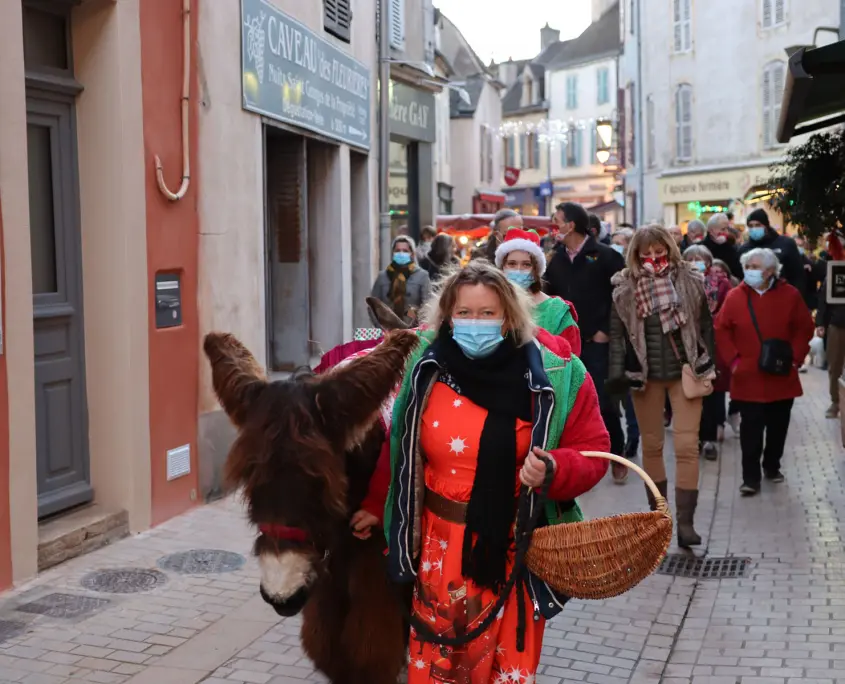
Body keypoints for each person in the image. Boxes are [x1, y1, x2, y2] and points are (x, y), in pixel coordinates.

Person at [354, 261, 610, 684]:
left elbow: (594, 451)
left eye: (487, 313)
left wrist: (554, 468)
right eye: (465, 313)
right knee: (439, 670)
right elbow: (401, 444)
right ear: (447, 316)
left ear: (508, 316)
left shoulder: (557, 372)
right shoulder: (425, 365)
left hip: (513, 553)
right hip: (438, 551)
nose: (475, 323)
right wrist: (374, 502)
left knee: (502, 672)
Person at [608, 224, 714, 548]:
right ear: (636, 255)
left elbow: (705, 325)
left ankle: (686, 524)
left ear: (669, 248)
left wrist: (708, 364)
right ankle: (660, 519)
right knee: (652, 446)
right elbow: (617, 335)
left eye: (660, 250)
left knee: (686, 446)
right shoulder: (624, 288)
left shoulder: (690, 281)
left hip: (686, 373)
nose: (654, 258)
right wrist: (616, 374)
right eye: (647, 253)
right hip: (645, 377)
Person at [715, 248, 814, 496]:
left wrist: (795, 359)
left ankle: (772, 465)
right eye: (747, 266)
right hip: (747, 376)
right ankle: (750, 478)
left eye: (755, 266)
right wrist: (733, 361)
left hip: (781, 375)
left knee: (778, 426)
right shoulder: (735, 297)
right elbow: (722, 329)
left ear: (770, 271)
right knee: (751, 430)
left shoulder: (790, 295)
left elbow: (804, 328)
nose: (750, 271)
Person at [545, 202, 626, 478]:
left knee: (603, 401)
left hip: (596, 341)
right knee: (570, 400)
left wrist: (606, 330)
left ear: (571, 225)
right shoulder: (555, 260)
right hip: (566, 345)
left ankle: (617, 454)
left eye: (557, 221)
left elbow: (620, 297)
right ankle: (579, 455)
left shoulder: (604, 256)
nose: (554, 227)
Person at [494, 227, 581, 354]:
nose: (518, 270)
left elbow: (571, 358)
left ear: (536, 270)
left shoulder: (557, 311)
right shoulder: (490, 304)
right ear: (502, 267)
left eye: (526, 264)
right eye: (512, 264)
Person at [684, 244, 732, 458]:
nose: (696, 262)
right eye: (691, 258)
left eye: (700, 259)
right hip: (687, 345)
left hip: (714, 345)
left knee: (712, 394)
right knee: (690, 394)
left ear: (709, 262)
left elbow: (727, 313)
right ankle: (694, 438)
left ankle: (710, 439)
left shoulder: (722, 284)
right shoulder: (677, 281)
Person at [370, 235, 432, 326]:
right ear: (393, 253)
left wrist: (418, 327)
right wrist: (379, 326)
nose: (401, 253)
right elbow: (373, 305)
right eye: (397, 250)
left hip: (412, 329)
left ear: (412, 254)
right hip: (387, 329)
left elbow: (427, 305)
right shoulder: (382, 276)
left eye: (405, 251)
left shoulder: (422, 276)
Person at [739, 209, 805, 292]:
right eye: (750, 226)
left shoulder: (786, 244)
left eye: (757, 225)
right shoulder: (744, 249)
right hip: (754, 295)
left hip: (782, 293)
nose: (754, 228)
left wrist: (796, 294)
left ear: (766, 226)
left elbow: (798, 274)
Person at [816, 277, 845, 418]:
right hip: (837, 323)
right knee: (834, 365)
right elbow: (823, 298)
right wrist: (820, 323)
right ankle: (836, 402)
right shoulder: (836, 271)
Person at [703, 214, 742, 279]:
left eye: (727, 228)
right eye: (723, 229)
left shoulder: (731, 248)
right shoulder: (702, 248)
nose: (726, 232)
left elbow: (738, 274)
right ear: (711, 231)